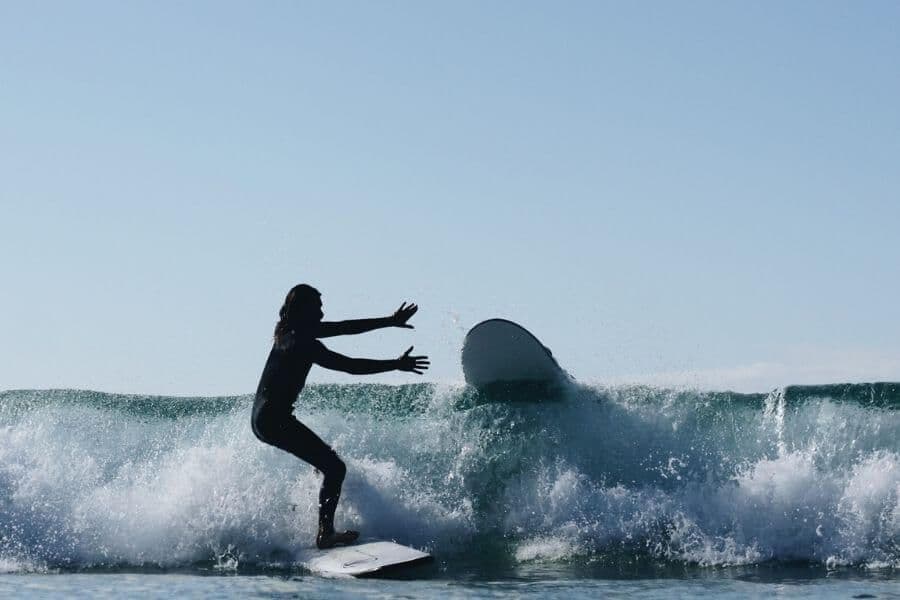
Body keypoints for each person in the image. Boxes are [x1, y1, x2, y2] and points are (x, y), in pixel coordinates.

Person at [252, 284, 429, 549]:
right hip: (274, 419)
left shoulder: (293, 333)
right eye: (318, 308)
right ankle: (325, 534)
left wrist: (390, 321)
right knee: (335, 468)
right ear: (304, 310)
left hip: (264, 418)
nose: (322, 313)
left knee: (326, 463)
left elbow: (346, 327)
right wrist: (395, 364)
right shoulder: (301, 343)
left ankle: (321, 518)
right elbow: (350, 366)